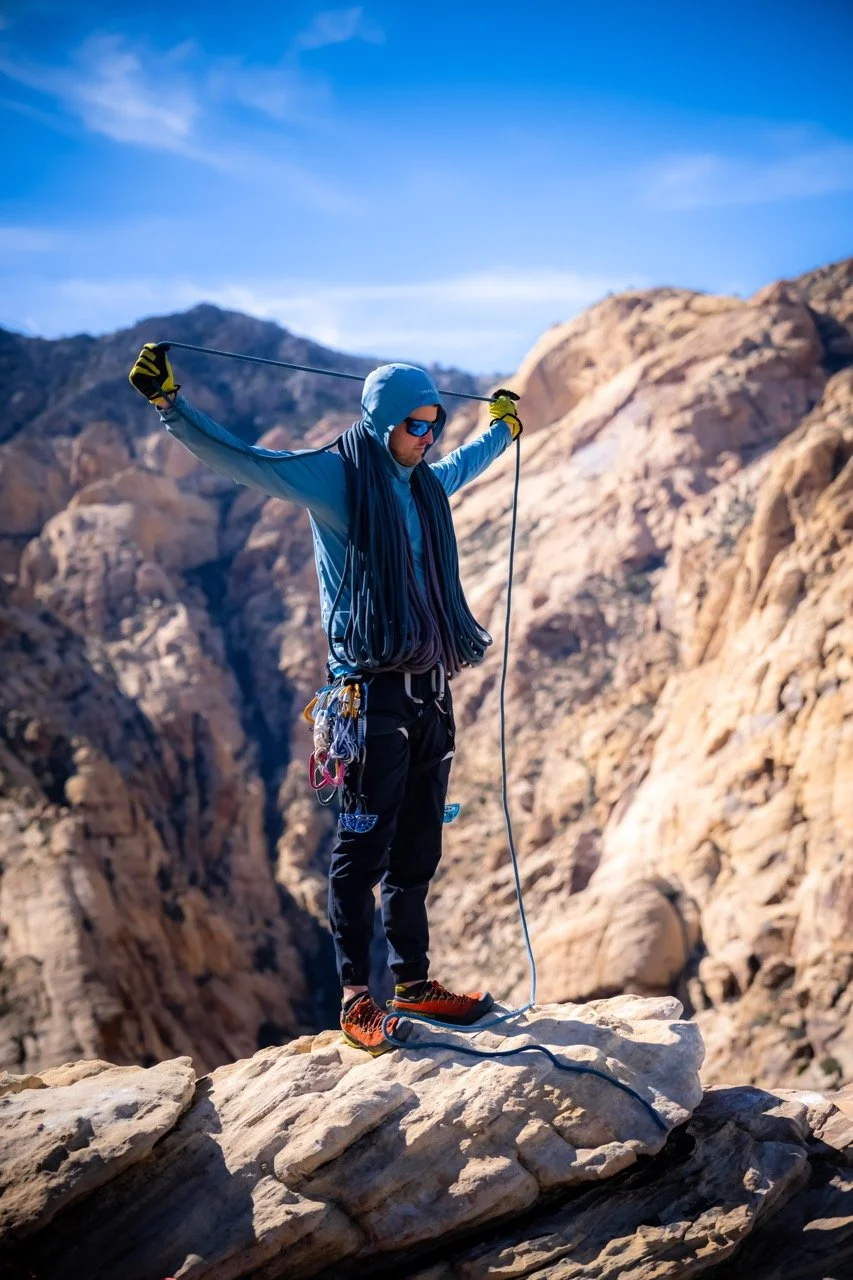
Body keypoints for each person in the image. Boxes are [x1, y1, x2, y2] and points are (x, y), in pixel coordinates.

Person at [129, 343, 523, 1055]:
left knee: (418, 847)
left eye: (434, 425)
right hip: (370, 694)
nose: (427, 439)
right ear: (381, 424)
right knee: (361, 852)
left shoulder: (423, 483)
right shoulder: (334, 480)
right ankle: (353, 999)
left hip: (429, 692)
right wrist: (170, 406)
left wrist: (499, 430)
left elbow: (465, 464)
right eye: (415, 426)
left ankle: (413, 984)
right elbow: (249, 461)